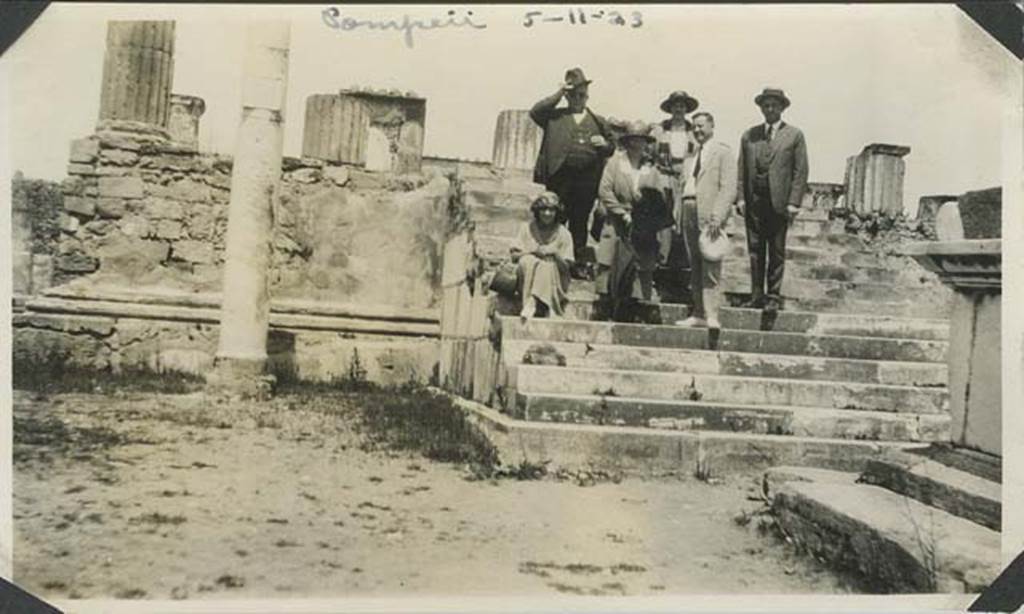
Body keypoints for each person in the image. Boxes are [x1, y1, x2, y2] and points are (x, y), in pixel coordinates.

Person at [529, 68, 616, 279]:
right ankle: (549, 261)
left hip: (586, 180)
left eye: (582, 95)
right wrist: (559, 92)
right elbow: (535, 112)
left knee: (579, 222)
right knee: (555, 217)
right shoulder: (555, 117)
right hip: (560, 177)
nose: (578, 99)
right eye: (574, 95)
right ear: (567, 96)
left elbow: (612, 145)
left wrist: (604, 144)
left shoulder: (598, 120)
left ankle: (574, 264)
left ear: (587, 96)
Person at [735, 87, 809, 312]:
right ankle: (756, 294)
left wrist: (794, 202)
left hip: (779, 202)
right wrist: (740, 198)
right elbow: (741, 169)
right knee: (755, 249)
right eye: (766, 105)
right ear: (761, 108)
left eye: (774, 105)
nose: (769, 109)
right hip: (754, 201)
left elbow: (800, 170)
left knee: (776, 250)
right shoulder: (750, 135)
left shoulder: (794, 135)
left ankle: (773, 296)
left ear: (782, 108)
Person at [595, 121, 670, 318]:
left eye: (642, 141)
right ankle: (605, 305)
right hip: (617, 219)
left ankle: (638, 305)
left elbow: (659, 197)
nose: (638, 145)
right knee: (608, 260)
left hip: (642, 224)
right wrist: (621, 212)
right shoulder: (615, 163)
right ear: (627, 142)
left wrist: (645, 209)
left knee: (642, 262)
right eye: (633, 140)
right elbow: (604, 190)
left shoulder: (651, 168)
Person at [674, 112, 737, 330]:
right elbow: (684, 185)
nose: (698, 130)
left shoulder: (722, 152)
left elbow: (729, 187)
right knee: (695, 264)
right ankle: (698, 312)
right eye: (695, 127)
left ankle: (711, 315)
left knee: (710, 264)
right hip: (689, 209)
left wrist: (718, 215)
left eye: (702, 126)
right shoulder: (691, 155)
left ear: (712, 126)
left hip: (710, 215)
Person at [510, 192, 575, 321]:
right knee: (527, 260)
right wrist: (534, 252)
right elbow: (514, 256)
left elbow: (568, 267)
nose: (547, 214)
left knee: (548, 265)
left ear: (557, 212)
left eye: (551, 210)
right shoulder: (526, 229)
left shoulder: (564, 233)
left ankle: (532, 301)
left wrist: (555, 254)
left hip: (555, 280)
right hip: (527, 275)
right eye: (543, 209)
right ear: (537, 211)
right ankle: (535, 300)